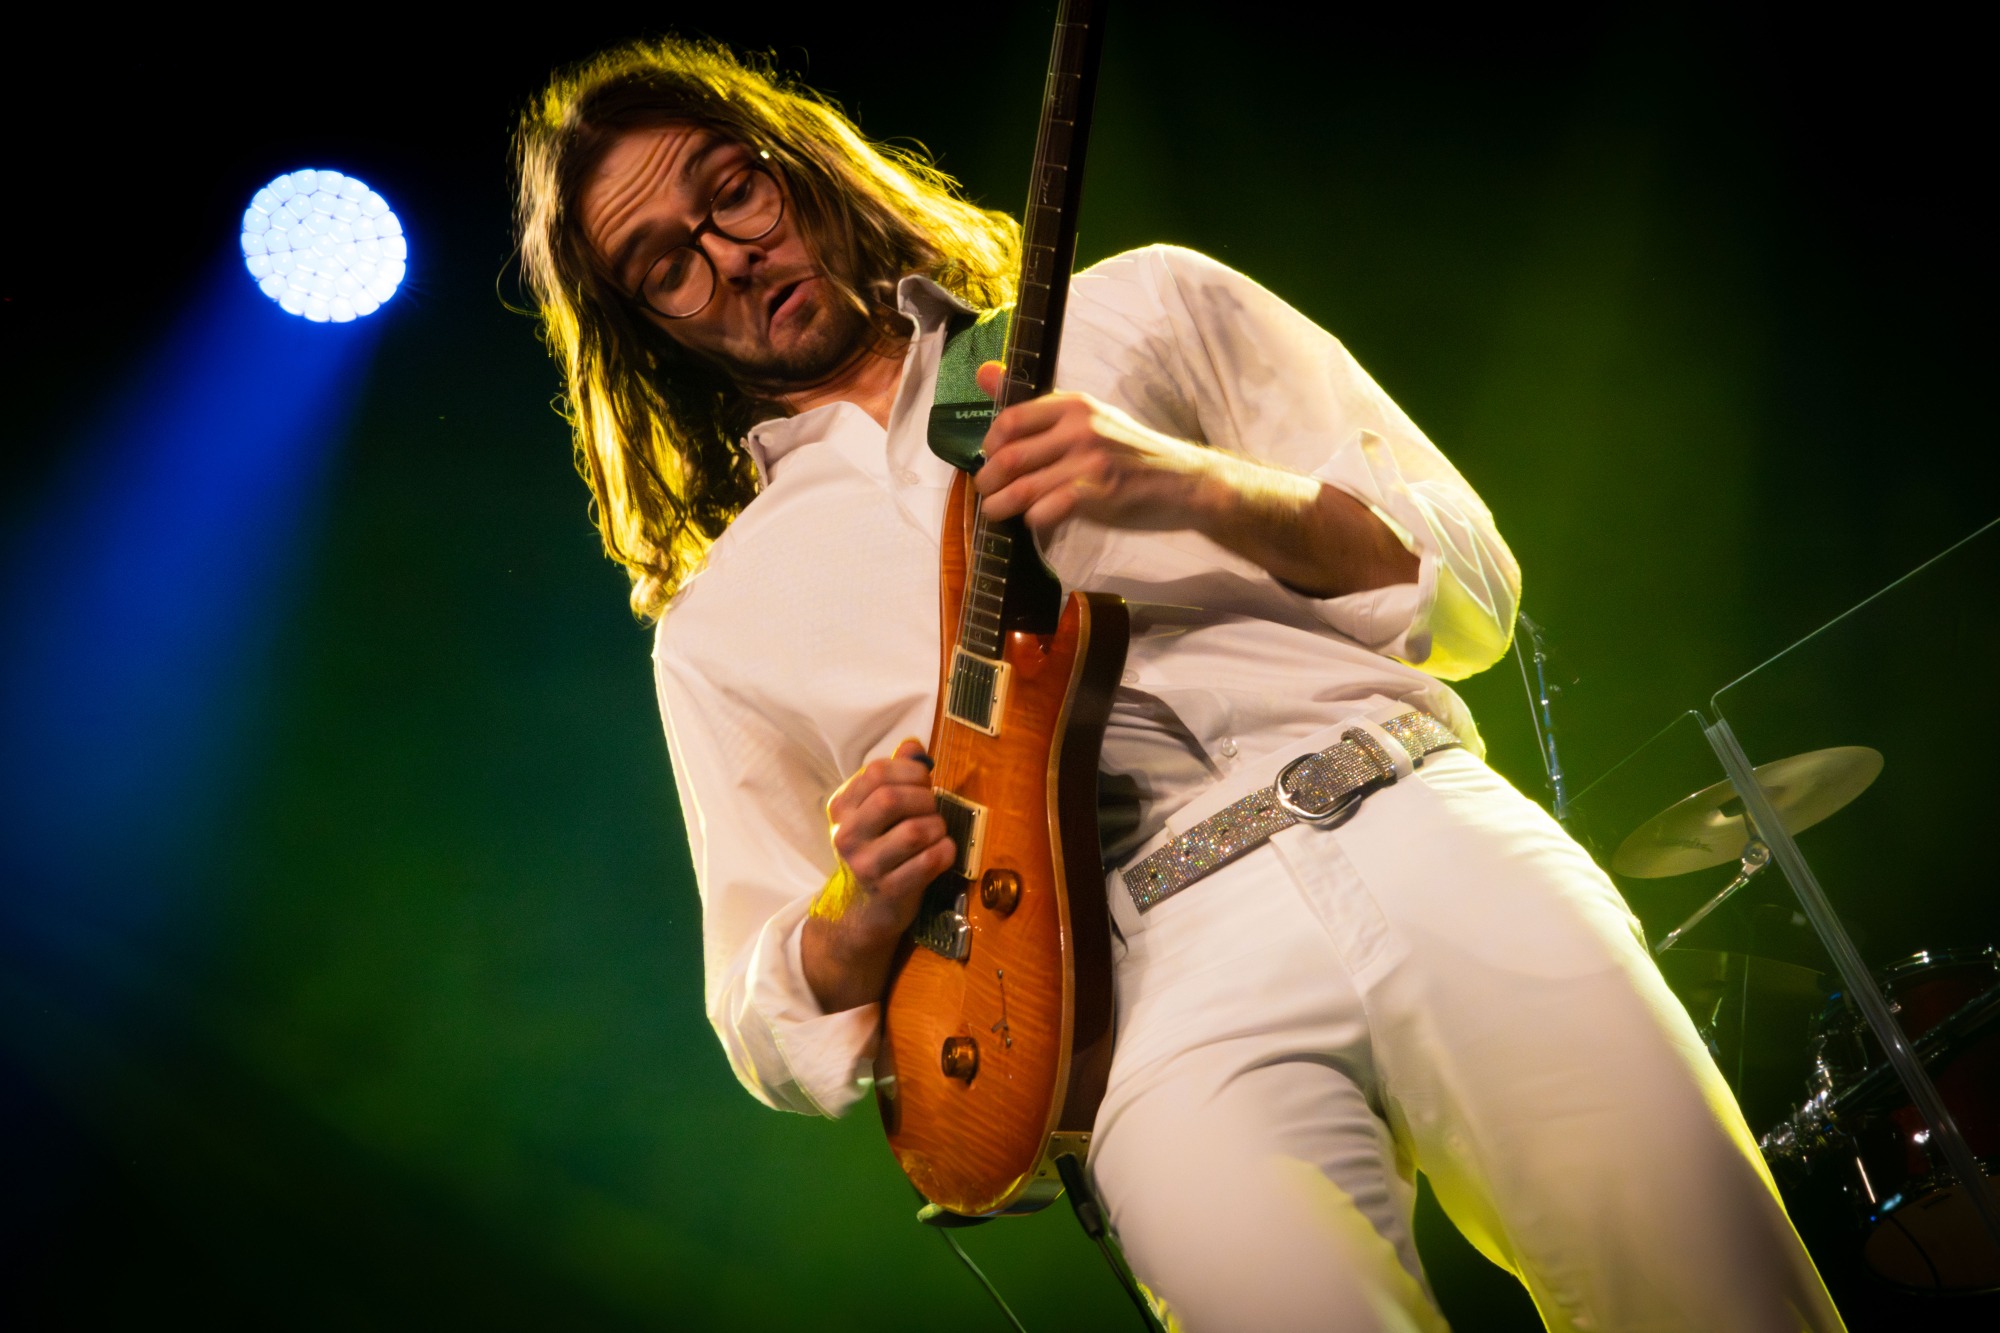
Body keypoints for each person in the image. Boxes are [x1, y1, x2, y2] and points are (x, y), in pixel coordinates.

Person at [514, 36, 1844, 1332]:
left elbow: (1469, 589)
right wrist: (856, 905)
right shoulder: (721, 620)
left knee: (1715, 1291)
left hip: (1413, 821)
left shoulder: (1139, 306)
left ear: (796, 166)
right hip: (1140, 994)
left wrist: (1185, 483)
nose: (729, 256)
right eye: (667, 266)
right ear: (645, 329)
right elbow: (759, 1016)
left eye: (731, 192)